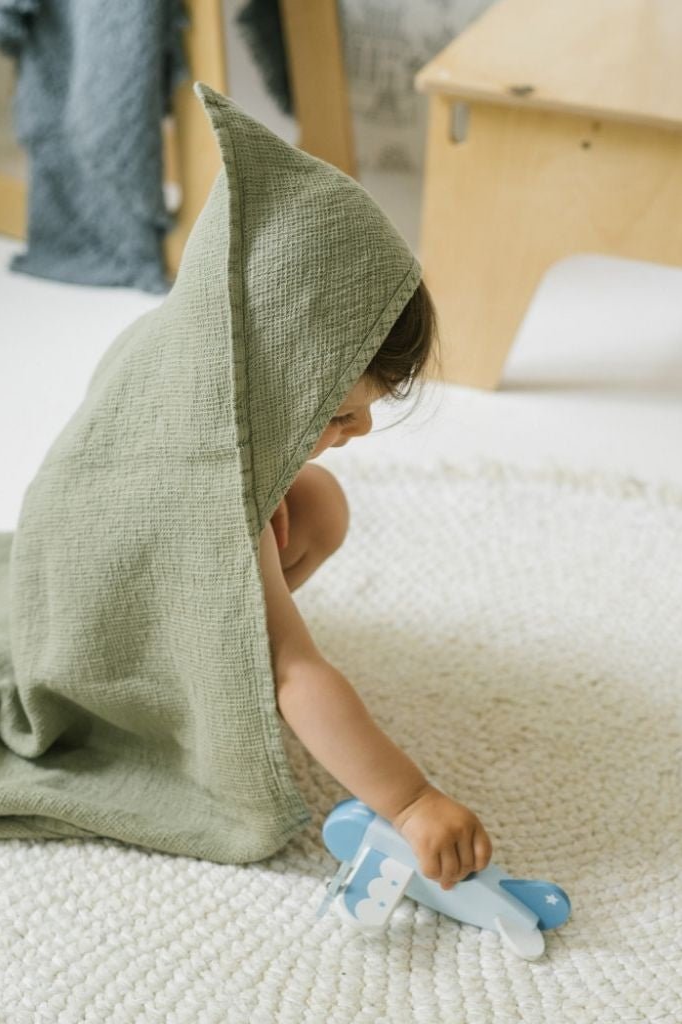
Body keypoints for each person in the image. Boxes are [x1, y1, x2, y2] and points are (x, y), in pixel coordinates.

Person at [258, 279, 494, 891]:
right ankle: (224, 671)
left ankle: (251, 621)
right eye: (338, 415)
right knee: (289, 663)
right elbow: (294, 670)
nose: (361, 427)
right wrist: (412, 802)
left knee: (317, 501)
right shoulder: (212, 499)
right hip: (114, 656)